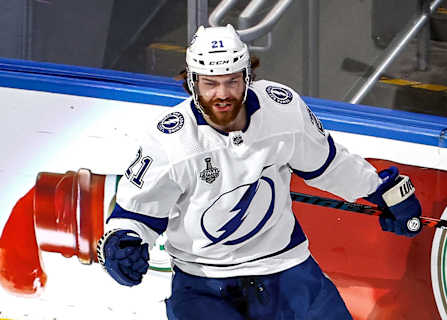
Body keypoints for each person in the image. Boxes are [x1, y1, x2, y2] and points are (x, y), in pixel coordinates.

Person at [96, 24, 422, 319]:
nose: (222, 94)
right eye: (210, 83)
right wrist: (121, 246)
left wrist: (382, 192)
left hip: (285, 267)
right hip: (204, 284)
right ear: (192, 82)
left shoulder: (281, 110)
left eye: (231, 81)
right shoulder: (170, 139)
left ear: (247, 77)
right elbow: (135, 215)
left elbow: (329, 164)